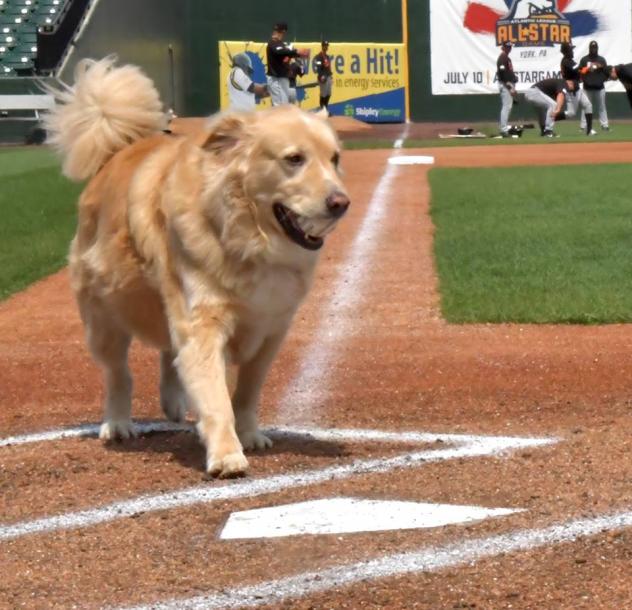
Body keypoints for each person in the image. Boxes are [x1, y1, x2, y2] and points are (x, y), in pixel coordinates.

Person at [266, 21, 309, 106]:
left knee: (284, 106)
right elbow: (280, 51)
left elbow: (285, 53)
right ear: (284, 32)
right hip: (276, 79)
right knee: (280, 107)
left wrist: (297, 54)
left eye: (277, 31)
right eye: (276, 31)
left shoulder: (280, 43)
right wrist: (296, 52)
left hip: (282, 78)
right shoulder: (273, 43)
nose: (276, 33)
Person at [560, 41, 595, 135]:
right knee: (571, 113)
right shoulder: (566, 61)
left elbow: (579, 71)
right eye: (571, 50)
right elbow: (579, 70)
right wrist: (588, 68)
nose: (572, 51)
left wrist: (585, 69)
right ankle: (552, 117)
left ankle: (589, 130)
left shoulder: (569, 61)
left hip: (577, 89)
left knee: (588, 105)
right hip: (571, 91)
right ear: (566, 51)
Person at [578, 40, 609, 131]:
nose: (593, 49)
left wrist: (601, 80)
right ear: (589, 48)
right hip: (587, 88)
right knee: (585, 107)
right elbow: (580, 72)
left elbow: (606, 72)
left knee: (602, 107)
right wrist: (585, 80)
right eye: (592, 48)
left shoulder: (601, 60)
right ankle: (583, 126)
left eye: (595, 48)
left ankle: (605, 125)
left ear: (597, 48)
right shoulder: (584, 59)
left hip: (600, 88)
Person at [496, 41, 518, 137]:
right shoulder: (502, 58)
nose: (509, 48)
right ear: (503, 47)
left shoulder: (506, 58)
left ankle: (504, 128)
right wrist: (510, 87)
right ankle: (504, 130)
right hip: (505, 85)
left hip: (508, 84)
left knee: (508, 107)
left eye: (510, 46)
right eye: (507, 47)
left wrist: (514, 80)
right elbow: (503, 74)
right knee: (506, 107)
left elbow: (508, 73)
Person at [314, 40, 333, 113]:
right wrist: (321, 76)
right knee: (323, 94)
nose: (326, 47)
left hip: (328, 77)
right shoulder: (319, 56)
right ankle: (322, 109)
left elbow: (328, 67)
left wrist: (331, 76)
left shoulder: (327, 56)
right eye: (325, 45)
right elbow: (318, 68)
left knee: (329, 93)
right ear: (322, 46)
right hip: (323, 78)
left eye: (327, 45)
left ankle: (326, 108)